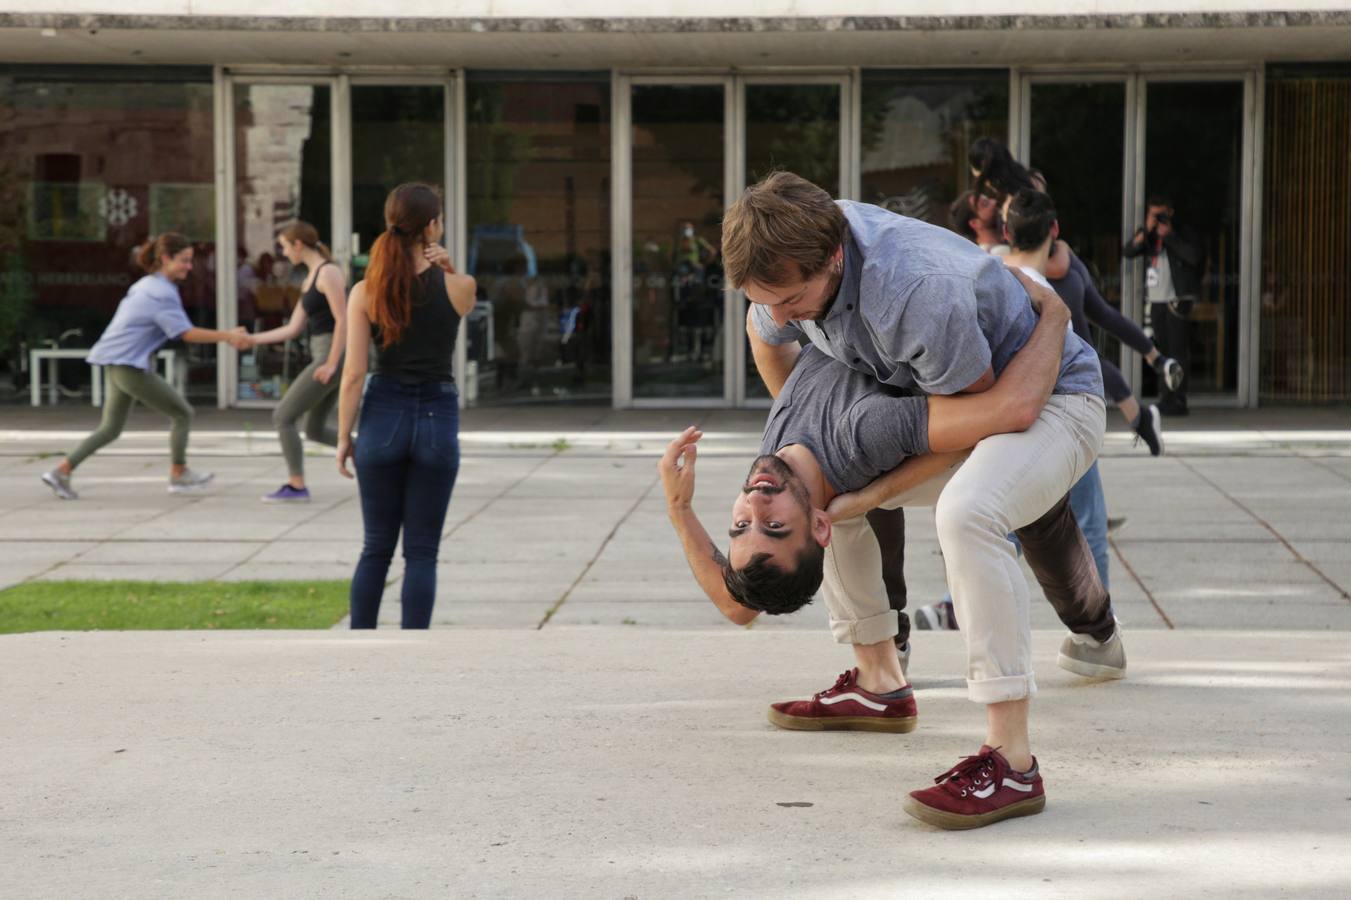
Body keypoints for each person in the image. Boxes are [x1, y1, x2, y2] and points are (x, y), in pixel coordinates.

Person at [728, 171, 1117, 829]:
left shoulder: (914, 293)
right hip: (967, 405)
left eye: (792, 300)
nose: (783, 315)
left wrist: (868, 489)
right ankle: (878, 682)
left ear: (835, 258)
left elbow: (994, 414)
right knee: (823, 495)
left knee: (967, 511)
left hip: (1049, 398)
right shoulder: (790, 257)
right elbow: (762, 328)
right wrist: (800, 434)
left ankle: (1011, 762)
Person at [337, 184, 476, 630]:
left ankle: (361, 645)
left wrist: (343, 436)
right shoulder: (461, 287)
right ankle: (414, 649)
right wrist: (450, 266)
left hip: (383, 415)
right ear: (433, 226)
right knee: (422, 551)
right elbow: (459, 298)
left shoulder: (365, 292)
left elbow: (354, 373)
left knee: (376, 546)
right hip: (437, 415)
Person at [41, 233, 250, 500]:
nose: (190, 266)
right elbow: (184, 333)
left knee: (111, 428)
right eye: (184, 261)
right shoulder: (161, 293)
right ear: (165, 259)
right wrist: (229, 336)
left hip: (118, 362)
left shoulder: (147, 285)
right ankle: (179, 474)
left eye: (190, 261)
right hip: (128, 365)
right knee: (182, 413)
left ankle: (61, 471)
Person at [247, 221, 348, 502]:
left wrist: (331, 362)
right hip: (324, 355)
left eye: (284, 246)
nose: (283, 252)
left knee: (283, 416)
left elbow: (344, 319)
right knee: (315, 430)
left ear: (298, 245)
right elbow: (292, 329)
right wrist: (251, 341)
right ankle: (380, 461)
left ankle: (296, 485)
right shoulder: (310, 277)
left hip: (330, 355)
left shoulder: (329, 273)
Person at [1124, 195, 1202, 415]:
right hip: (1156, 300)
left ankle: (1178, 399)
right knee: (1162, 352)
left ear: (1171, 212)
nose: (1158, 219)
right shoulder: (1149, 236)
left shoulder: (1183, 232)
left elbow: (1193, 257)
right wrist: (1146, 229)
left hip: (1176, 300)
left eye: (1161, 214)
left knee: (1178, 351)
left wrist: (1170, 237)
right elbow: (1129, 251)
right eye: (1153, 214)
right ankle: (1165, 397)